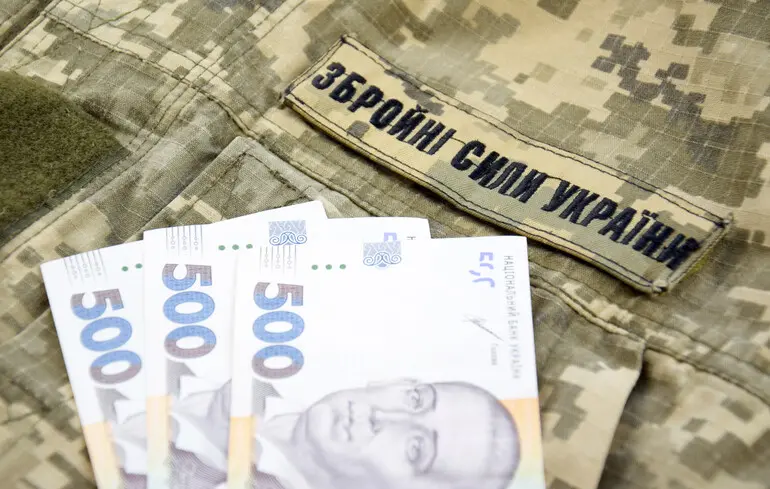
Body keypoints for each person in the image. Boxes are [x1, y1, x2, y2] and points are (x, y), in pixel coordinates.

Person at [168, 377, 521, 489]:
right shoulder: (245, 381)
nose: (383, 417)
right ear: (394, 381)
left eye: (415, 448)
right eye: (415, 400)